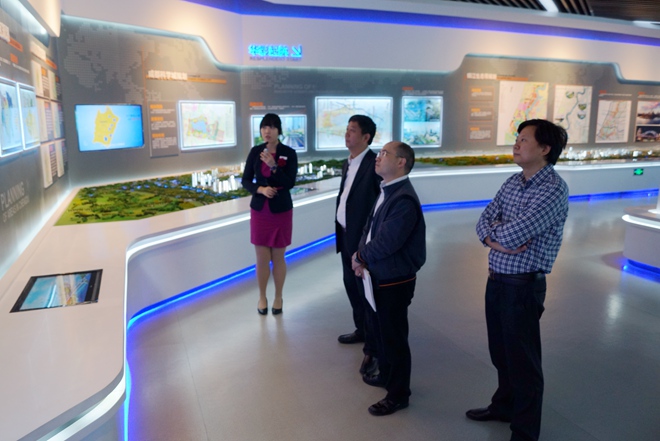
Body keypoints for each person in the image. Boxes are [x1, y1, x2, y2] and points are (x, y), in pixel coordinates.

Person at [467, 119, 569, 441]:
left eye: (524, 139)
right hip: (497, 279)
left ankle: (524, 432)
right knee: (501, 353)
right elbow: (483, 221)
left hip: (522, 286)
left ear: (545, 148)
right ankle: (504, 406)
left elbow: (515, 234)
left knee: (523, 363)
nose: (516, 143)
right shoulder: (512, 182)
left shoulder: (553, 189)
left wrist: (495, 236)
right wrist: (495, 239)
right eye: (517, 137)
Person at [352, 141, 426, 416]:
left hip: (394, 279)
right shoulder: (387, 190)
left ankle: (398, 394)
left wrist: (360, 256)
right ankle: (386, 375)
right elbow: (369, 227)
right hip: (378, 273)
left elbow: (387, 242)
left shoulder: (403, 199)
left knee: (393, 337)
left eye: (385, 153)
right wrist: (361, 257)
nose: (378, 157)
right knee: (382, 332)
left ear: (401, 162)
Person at [335, 115, 382, 371]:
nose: (347, 134)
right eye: (346, 129)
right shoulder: (348, 162)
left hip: (362, 241)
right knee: (351, 287)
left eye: (352, 130)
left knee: (367, 294)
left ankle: (373, 348)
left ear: (366, 137)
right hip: (345, 236)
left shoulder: (375, 165)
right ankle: (361, 331)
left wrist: (366, 244)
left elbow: (378, 207)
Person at [241, 113, 298, 315]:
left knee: (279, 256)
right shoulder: (255, 152)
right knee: (262, 257)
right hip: (260, 210)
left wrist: (274, 166)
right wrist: (260, 189)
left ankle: (278, 297)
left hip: (281, 210)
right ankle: (262, 297)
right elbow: (245, 180)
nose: (267, 131)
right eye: (264, 127)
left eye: (272, 127)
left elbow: (289, 183)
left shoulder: (289, 153)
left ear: (279, 131)